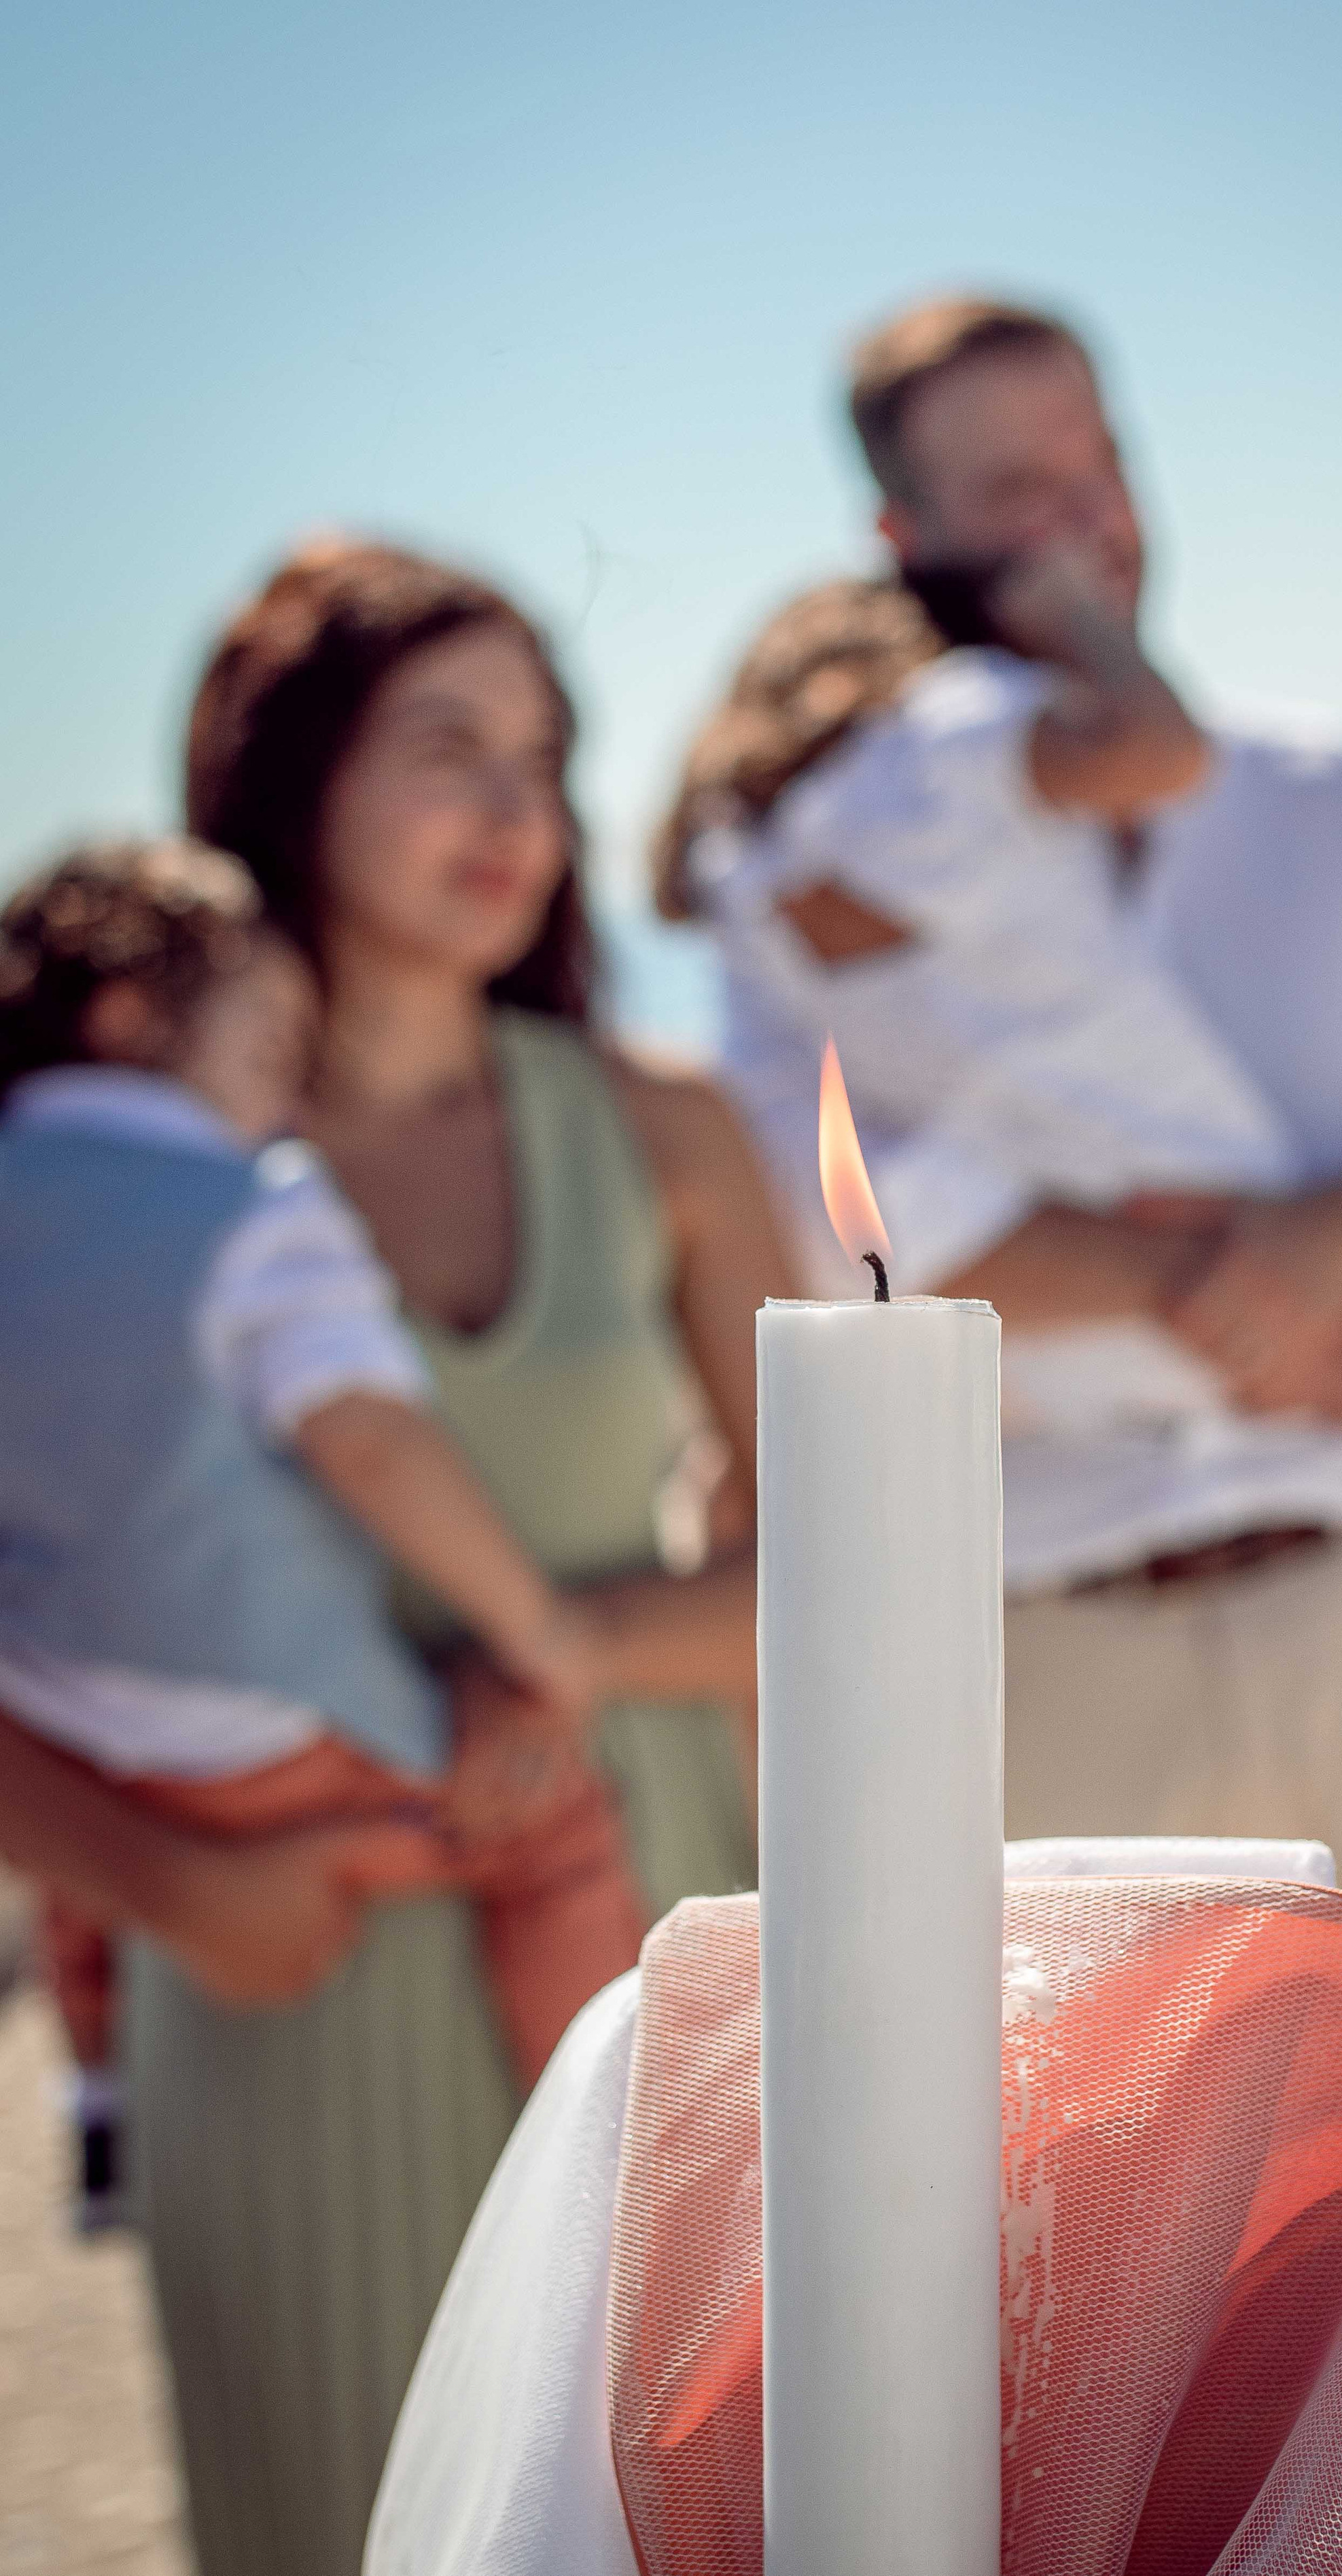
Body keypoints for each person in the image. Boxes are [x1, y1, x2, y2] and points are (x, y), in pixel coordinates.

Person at [2, 535, 792, 2576]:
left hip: (659, 1934)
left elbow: (849, 1586)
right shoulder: (101, 1175)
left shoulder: (668, 1127)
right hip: (286, 1965)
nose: (521, 810)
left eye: (548, 755)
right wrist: (163, 1878)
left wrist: (572, 1660)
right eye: (450, 746)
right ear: (289, 776)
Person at [669, 292, 1342, 1937]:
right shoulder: (895, 799)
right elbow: (817, 1230)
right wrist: (1190, 1284)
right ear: (905, 539)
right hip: (1031, 1658)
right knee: (1091, 2203)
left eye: (1091, 463)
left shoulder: (1338, 813)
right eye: (1006, 495)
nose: (1073, 522)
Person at [0, 835, 655, 2140]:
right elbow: (366, 1438)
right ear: (133, 1017)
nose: (283, 1102)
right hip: (256, 1710)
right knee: (551, 1824)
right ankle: (616, 2142)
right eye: (266, 1052)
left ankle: (98, 2091)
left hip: (55, 1704)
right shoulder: (248, 1205)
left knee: (87, 1893)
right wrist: (540, 1629)